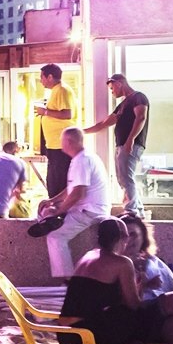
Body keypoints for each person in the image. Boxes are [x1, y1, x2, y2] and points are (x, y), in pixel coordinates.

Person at [57, 217, 173, 344]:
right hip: (86, 334)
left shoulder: (88, 256)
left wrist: (143, 284)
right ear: (123, 238)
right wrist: (143, 284)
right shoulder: (122, 262)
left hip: (67, 334)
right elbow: (134, 306)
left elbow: (101, 296)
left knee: (170, 324)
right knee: (172, 300)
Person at [34, 127, 110, 278]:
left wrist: (59, 210)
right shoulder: (85, 157)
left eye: (62, 141)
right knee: (50, 213)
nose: (60, 145)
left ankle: (66, 281)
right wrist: (52, 201)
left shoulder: (82, 160)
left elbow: (77, 194)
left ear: (69, 141)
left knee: (55, 236)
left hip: (90, 212)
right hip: (90, 209)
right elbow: (72, 188)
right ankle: (47, 221)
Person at [83, 72, 149, 217]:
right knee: (123, 178)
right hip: (122, 145)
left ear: (119, 83)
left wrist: (130, 139)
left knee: (126, 177)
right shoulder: (122, 105)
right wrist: (82, 132)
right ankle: (138, 210)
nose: (112, 92)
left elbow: (141, 117)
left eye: (112, 88)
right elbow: (104, 123)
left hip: (130, 144)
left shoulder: (138, 97)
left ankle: (131, 211)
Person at [33, 63, 76, 198]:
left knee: (58, 182)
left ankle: (61, 212)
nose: (41, 81)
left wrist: (45, 111)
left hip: (60, 146)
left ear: (50, 77)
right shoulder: (57, 91)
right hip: (54, 145)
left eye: (42, 77)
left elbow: (67, 114)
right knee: (53, 181)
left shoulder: (62, 90)